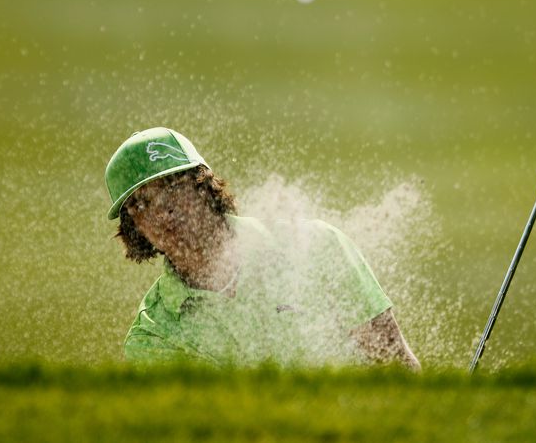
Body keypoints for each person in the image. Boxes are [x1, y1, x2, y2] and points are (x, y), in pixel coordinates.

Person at [105, 127, 420, 370]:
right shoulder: (154, 335)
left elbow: (397, 368)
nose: (162, 212)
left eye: (172, 188)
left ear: (202, 185)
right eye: (142, 204)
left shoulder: (317, 245)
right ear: (135, 227)